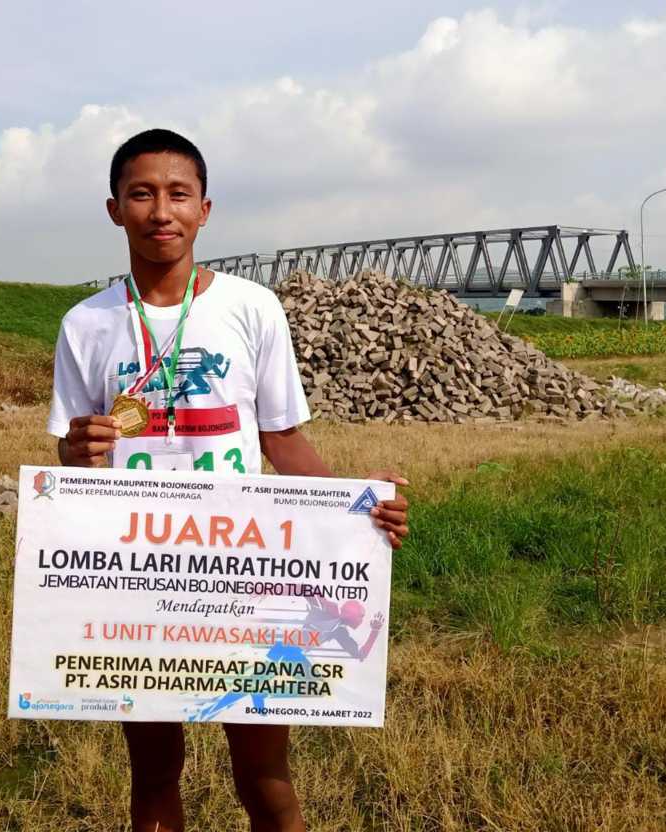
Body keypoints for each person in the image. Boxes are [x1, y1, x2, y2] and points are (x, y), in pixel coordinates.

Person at [47, 128, 410, 832]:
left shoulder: (252, 308)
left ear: (205, 210)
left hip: (242, 577)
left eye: (178, 194)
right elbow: (73, 457)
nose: (161, 211)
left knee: (264, 775)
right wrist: (79, 449)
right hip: (137, 580)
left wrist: (354, 507)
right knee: (153, 774)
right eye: (142, 194)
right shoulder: (86, 323)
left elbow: (280, 438)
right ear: (114, 208)